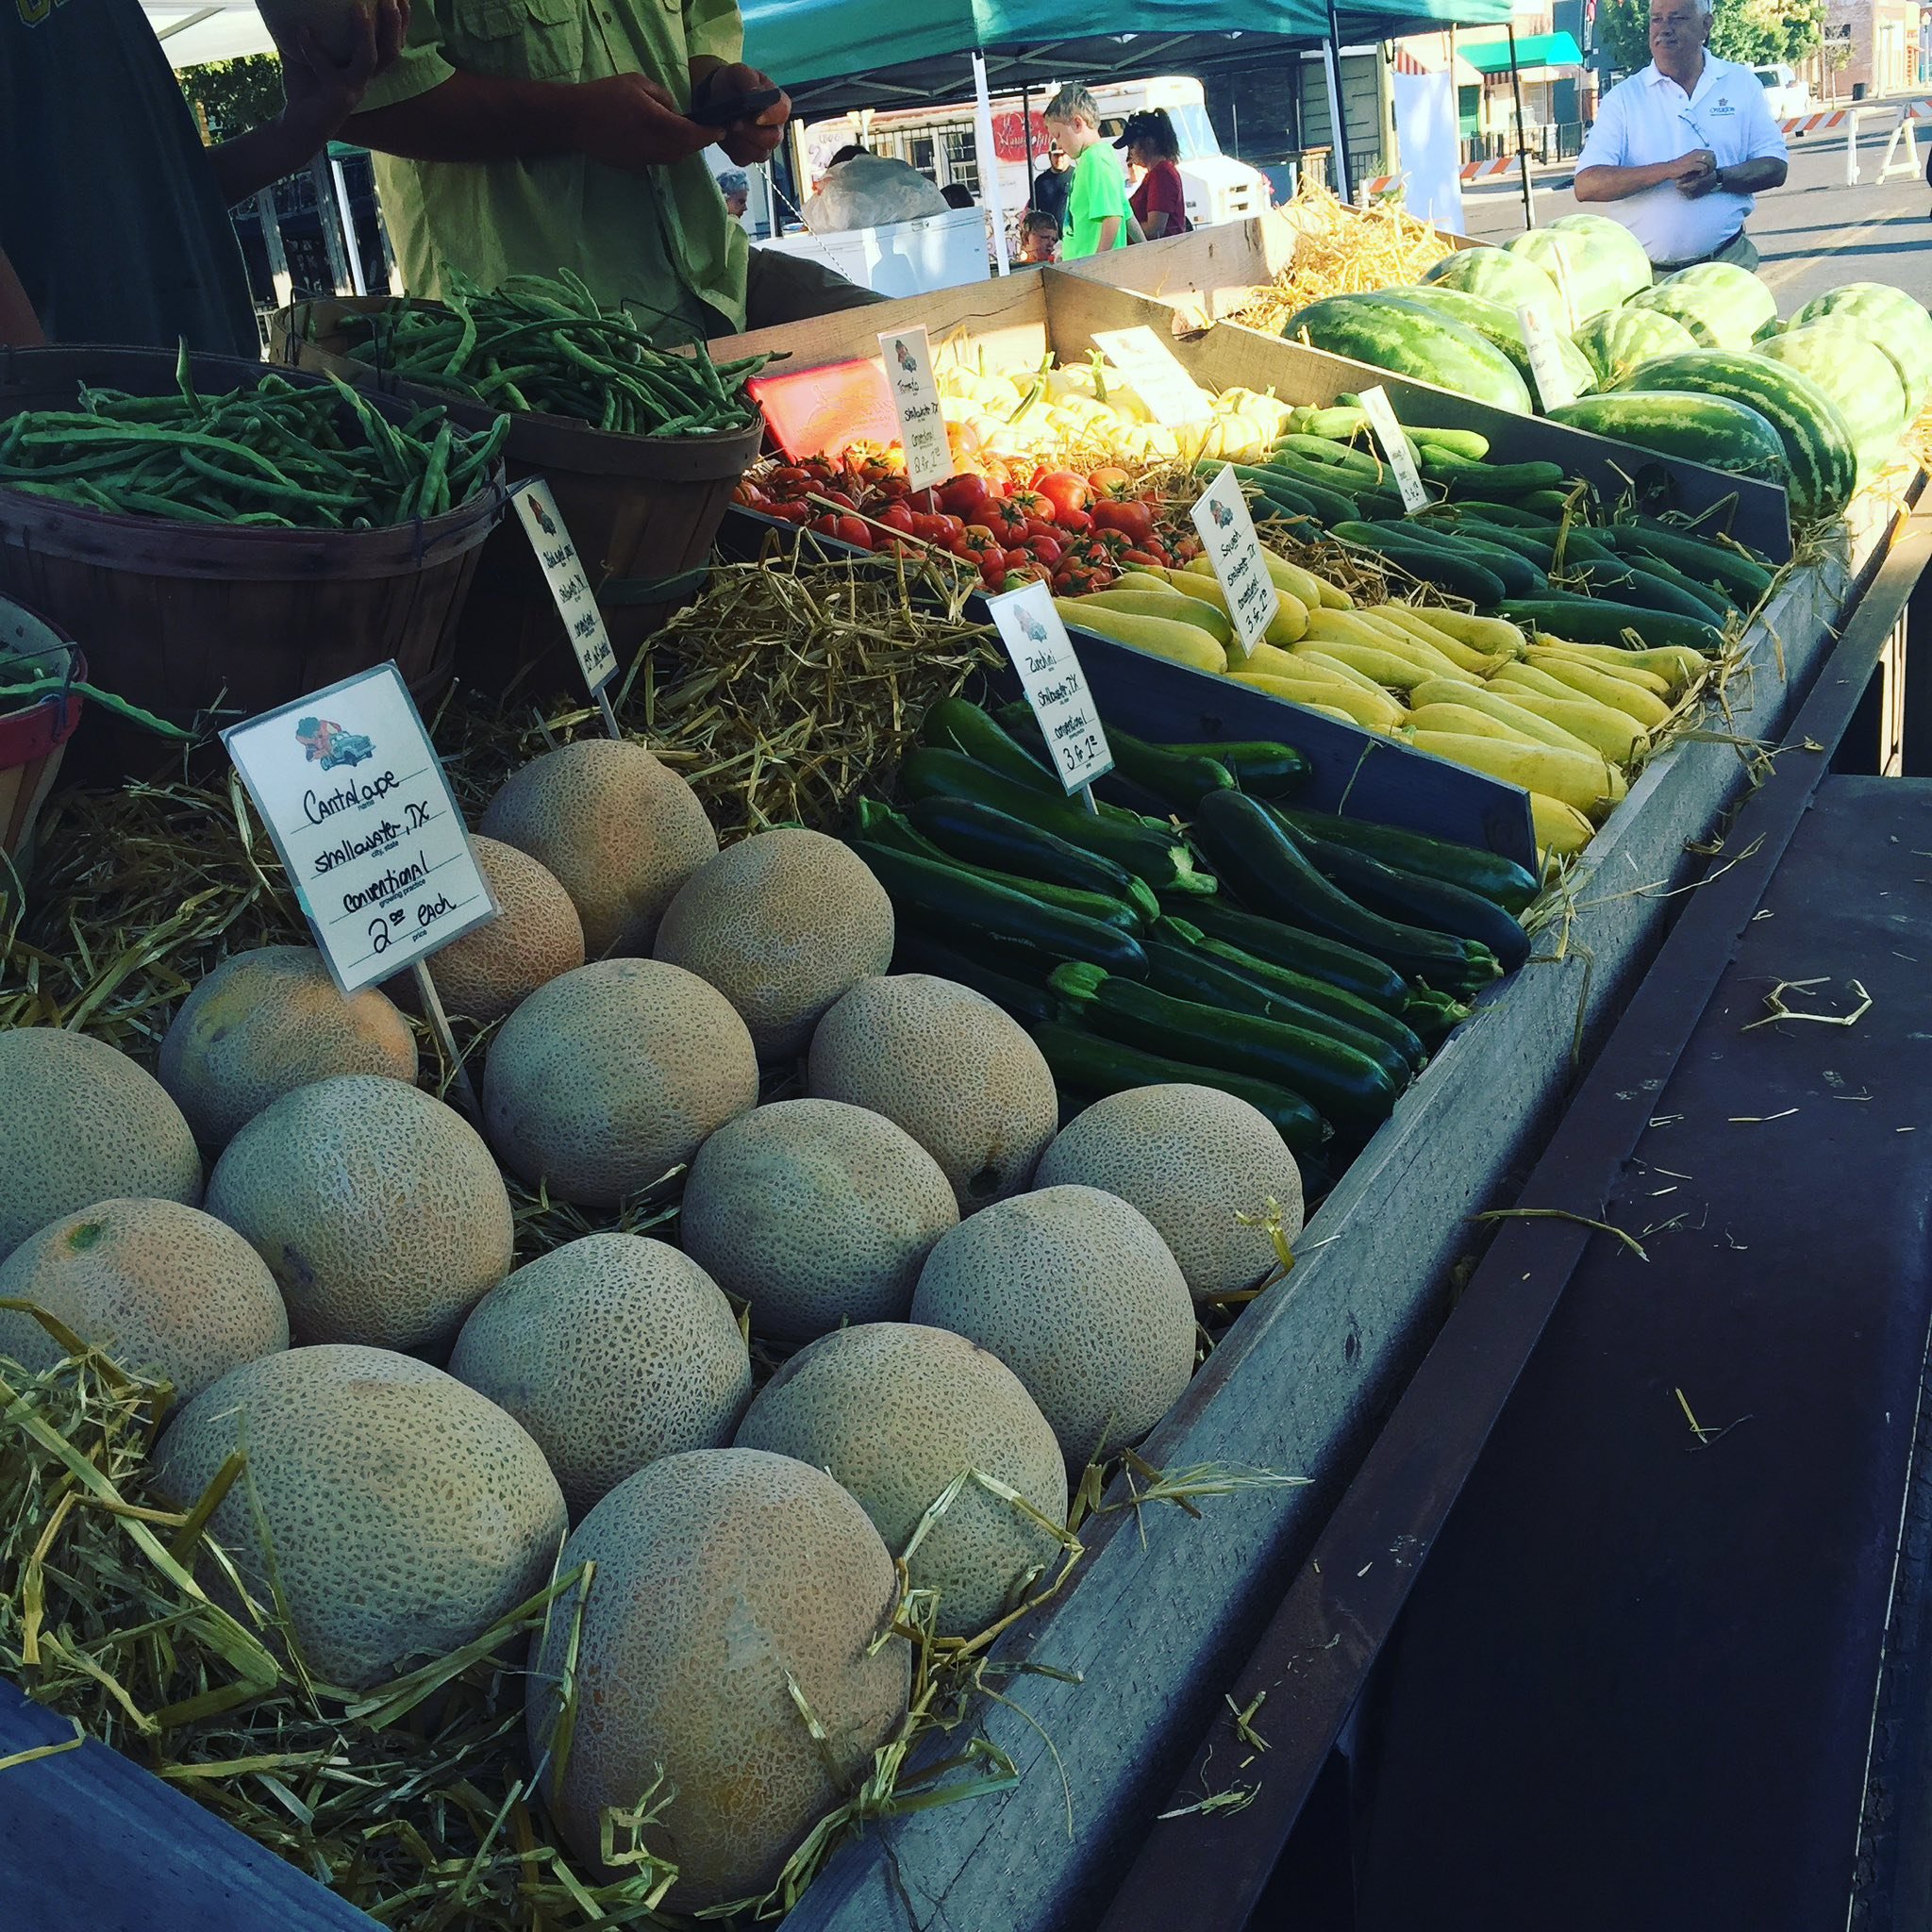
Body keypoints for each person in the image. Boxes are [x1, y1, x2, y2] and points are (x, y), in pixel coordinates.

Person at [344, 1, 881, 344]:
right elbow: (362, 102)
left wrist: (722, 90)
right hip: (540, 338)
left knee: (925, 348)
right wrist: (571, 120)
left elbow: (701, 25)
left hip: (714, 276)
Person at [0, 0, 406, 355]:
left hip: (210, 377)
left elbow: (148, 192)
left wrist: (294, 133)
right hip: (99, 415)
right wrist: (39, 410)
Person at [1571, 0, 1788, 273]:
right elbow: (1587, 184)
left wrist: (1718, 179)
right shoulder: (1624, 99)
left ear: (1705, 26)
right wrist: (1669, 170)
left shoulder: (1740, 83)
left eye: (1677, 18)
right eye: (1656, 19)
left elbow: (1775, 167)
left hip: (1728, 266)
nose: (1664, 29)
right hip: (1646, 279)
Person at [1042, 84, 1134, 259]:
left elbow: (1113, 217)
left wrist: (1097, 263)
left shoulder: (1095, 159)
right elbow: (1127, 214)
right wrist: (1147, 247)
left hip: (1092, 271)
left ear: (1077, 123)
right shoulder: (1097, 158)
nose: (1058, 145)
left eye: (1058, 135)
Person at [1120, 108, 1191, 241]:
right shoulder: (1157, 173)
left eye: (1132, 146)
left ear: (1149, 142)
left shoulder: (1162, 173)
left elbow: (1155, 229)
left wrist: (1121, 229)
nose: (1130, 153)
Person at [1029, 143, 1073, 233]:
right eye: (1056, 155)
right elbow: (1033, 210)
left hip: (1074, 236)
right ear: (1049, 156)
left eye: (1063, 154)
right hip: (1050, 239)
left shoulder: (1077, 175)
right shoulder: (1041, 181)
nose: (1059, 159)